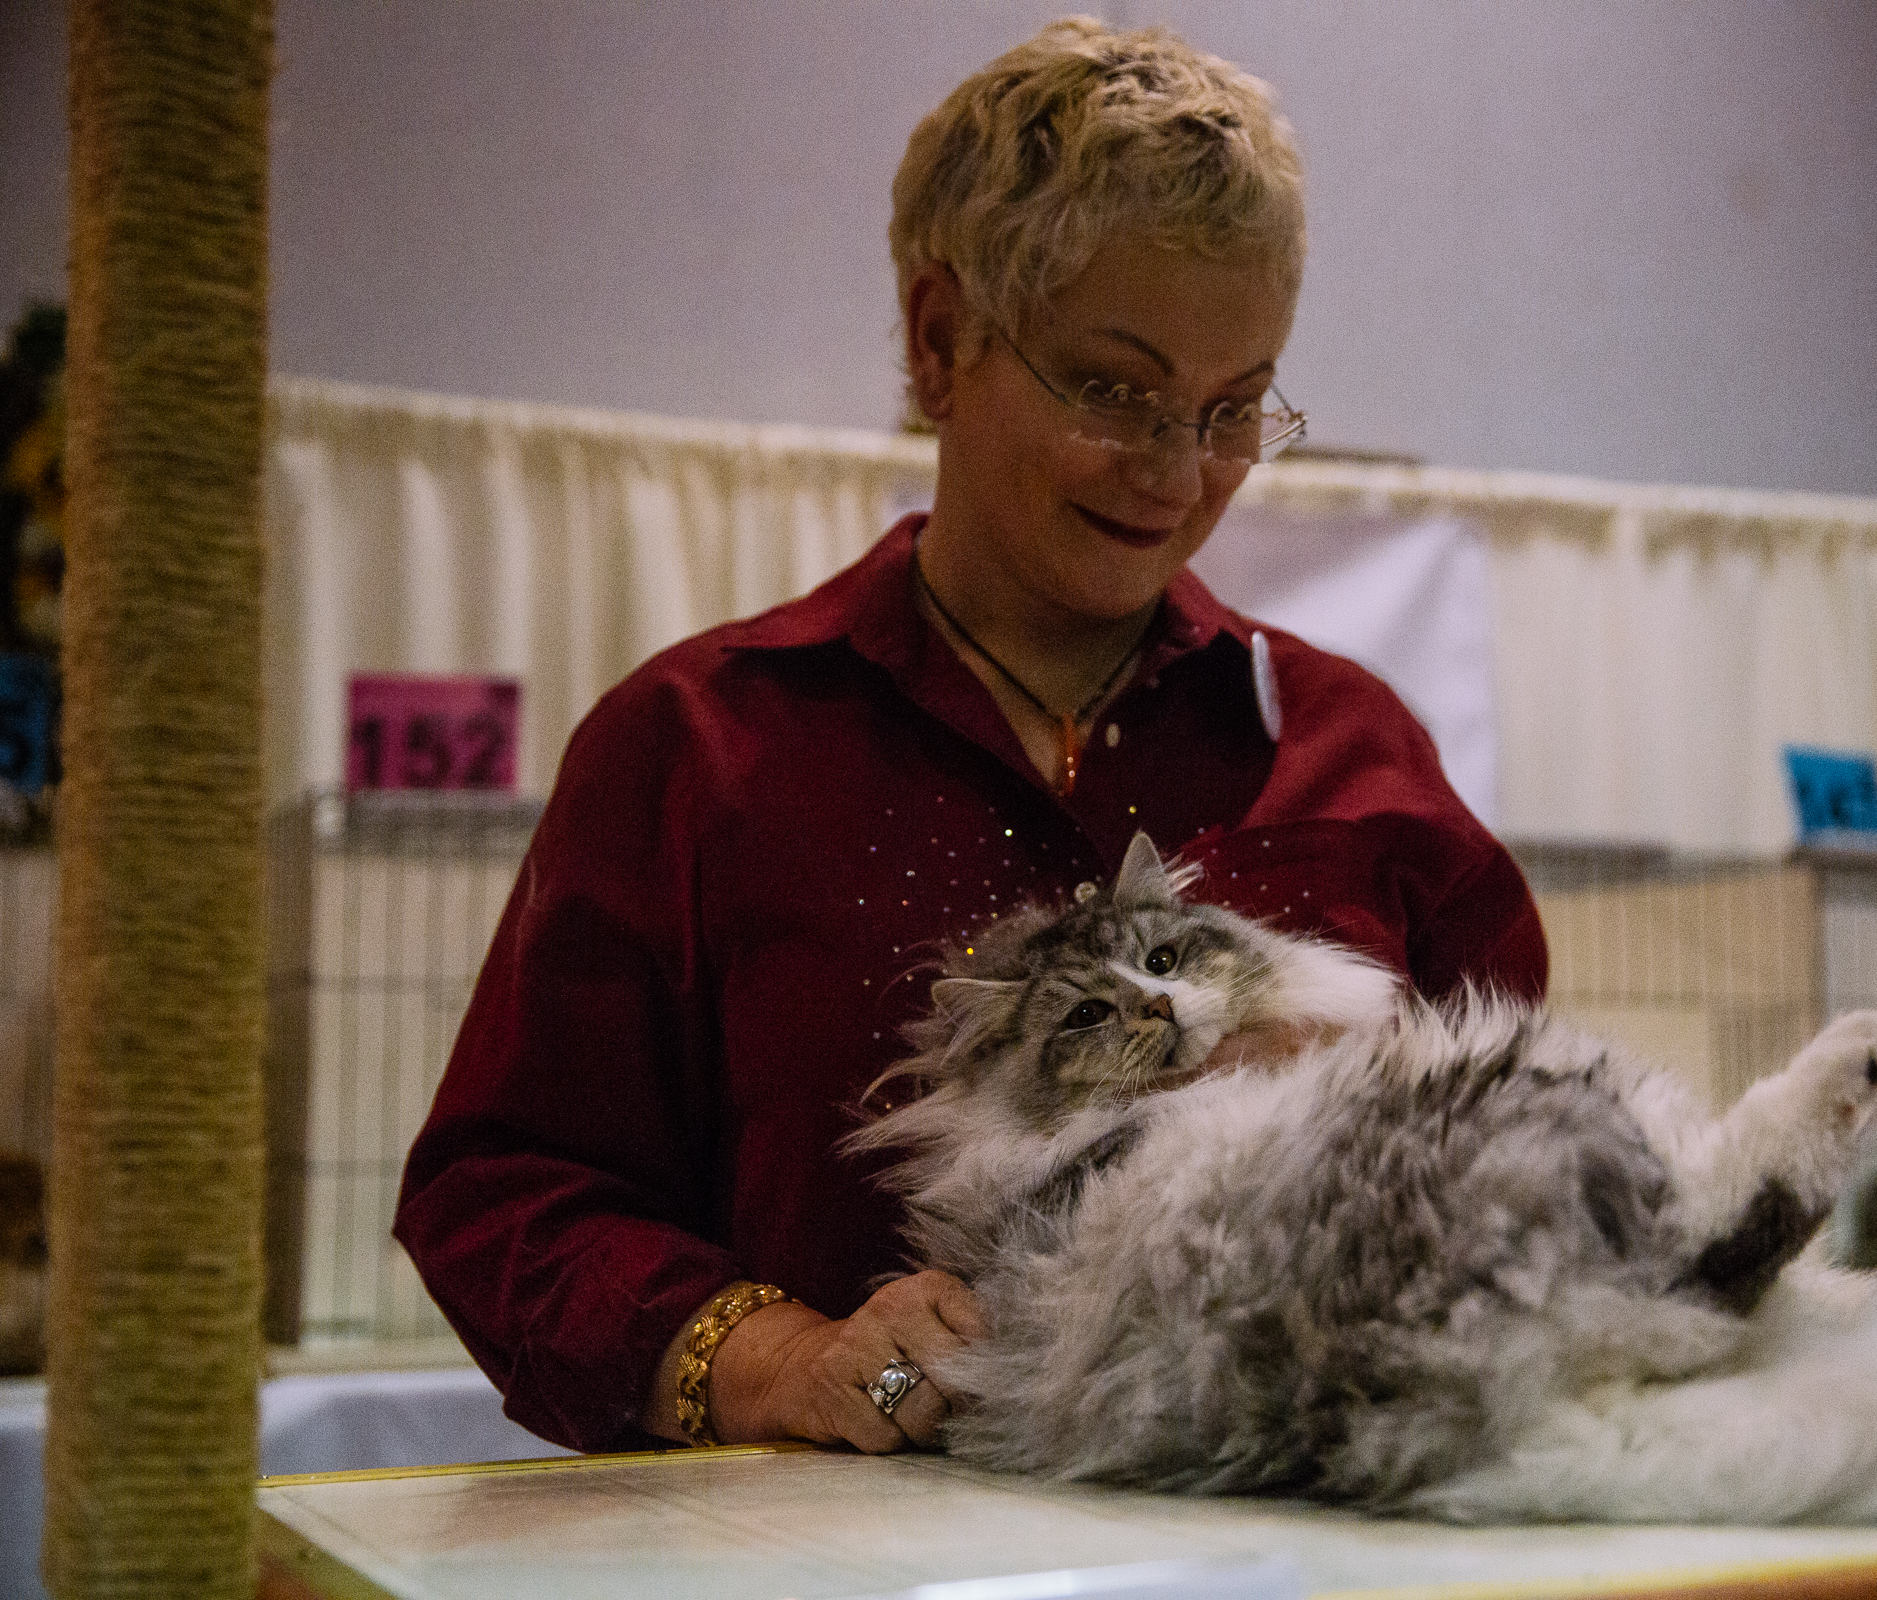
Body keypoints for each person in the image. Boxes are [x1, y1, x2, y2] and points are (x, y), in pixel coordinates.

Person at [395, 16, 1547, 1458]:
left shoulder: (1353, 756)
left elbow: (1523, 1154)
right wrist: (793, 1362)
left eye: (1234, 408)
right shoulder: (699, 751)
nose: (1177, 470)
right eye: (1113, 390)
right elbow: (506, 1193)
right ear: (943, 343)